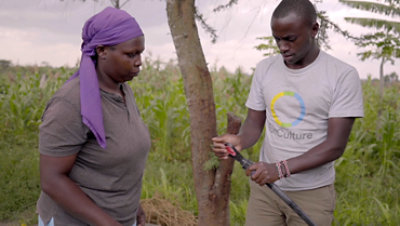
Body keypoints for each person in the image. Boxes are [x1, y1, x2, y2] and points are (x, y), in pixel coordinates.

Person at [212, 0, 364, 225]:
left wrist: (281, 169)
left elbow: (335, 146)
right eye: (277, 39)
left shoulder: (341, 76)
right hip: (266, 192)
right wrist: (240, 140)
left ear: (314, 29)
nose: (282, 46)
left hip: (311, 193)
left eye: (290, 39)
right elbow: (255, 122)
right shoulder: (266, 69)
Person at [36, 7, 150, 226]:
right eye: (131, 54)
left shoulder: (123, 91)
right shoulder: (71, 103)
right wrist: (108, 223)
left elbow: (118, 159)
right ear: (102, 51)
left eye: (140, 53)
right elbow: (52, 180)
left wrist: (133, 206)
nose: (139, 61)